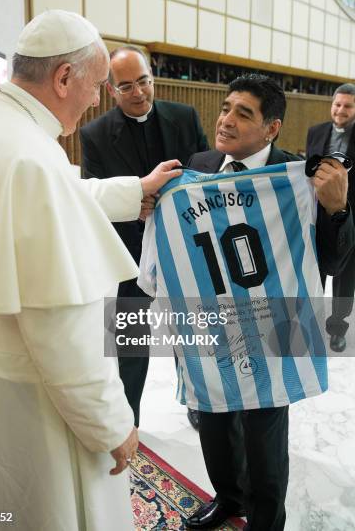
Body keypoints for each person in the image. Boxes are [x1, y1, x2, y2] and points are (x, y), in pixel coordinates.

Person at [0, 10, 182, 531]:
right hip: (32, 395)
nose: (99, 98)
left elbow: (59, 193)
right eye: (98, 84)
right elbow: (63, 329)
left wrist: (132, 190)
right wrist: (113, 425)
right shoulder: (29, 154)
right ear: (63, 78)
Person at [164, 74, 352, 531]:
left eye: (242, 113)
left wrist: (338, 209)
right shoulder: (200, 163)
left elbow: (331, 257)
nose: (225, 120)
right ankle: (229, 498)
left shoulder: (302, 175)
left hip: (273, 317)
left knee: (265, 432)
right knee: (212, 417)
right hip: (212, 318)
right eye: (226, 108)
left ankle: (267, 521)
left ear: (272, 128)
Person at [80, 45, 209, 428]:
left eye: (143, 82)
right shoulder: (95, 134)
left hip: (186, 248)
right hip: (130, 253)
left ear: (152, 78)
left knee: (193, 333)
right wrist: (131, 202)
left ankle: (199, 402)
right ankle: (128, 418)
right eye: (126, 87)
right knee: (131, 341)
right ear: (110, 89)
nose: (138, 93)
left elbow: (205, 172)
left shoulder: (184, 117)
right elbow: (95, 196)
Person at [306, 83, 355, 352]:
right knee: (314, 274)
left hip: (350, 218)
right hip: (317, 216)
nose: (341, 110)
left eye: (347, 105)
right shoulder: (316, 132)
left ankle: (337, 327)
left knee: (345, 279)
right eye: (337, 104)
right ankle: (310, 323)